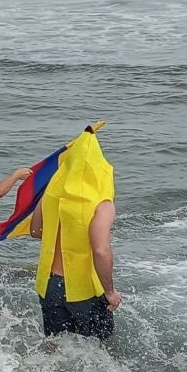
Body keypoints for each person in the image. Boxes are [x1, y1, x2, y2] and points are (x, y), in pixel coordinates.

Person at [25, 128, 119, 340]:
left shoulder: (51, 195)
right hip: (84, 288)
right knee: (100, 346)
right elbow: (101, 250)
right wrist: (110, 292)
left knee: (56, 345)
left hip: (49, 285)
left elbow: (35, 231)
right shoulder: (101, 204)